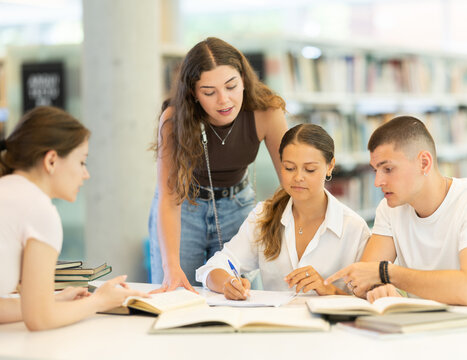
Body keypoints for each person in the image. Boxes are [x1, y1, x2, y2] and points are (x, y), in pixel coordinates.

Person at [325, 116, 467, 305]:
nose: (378, 181)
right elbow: (364, 279)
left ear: (424, 163)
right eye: (375, 170)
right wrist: (378, 288)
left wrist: (386, 273)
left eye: (388, 169)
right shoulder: (389, 209)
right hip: (438, 329)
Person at [149, 37, 288, 292]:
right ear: (193, 93)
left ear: (244, 79)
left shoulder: (267, 111)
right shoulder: (174, 119)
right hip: (184, 209)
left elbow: (291, 183)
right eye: (209, 92)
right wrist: (171, 267)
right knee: (177, 293)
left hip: (237, 207)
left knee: (237, 293)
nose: (224, 100)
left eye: (231, 86)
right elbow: (169, 199)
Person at [0, 106, 147, 330]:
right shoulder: (38, 209)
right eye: (81, 162)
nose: (85, 174)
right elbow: (39, 319)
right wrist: (100, 301)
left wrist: (54, 300)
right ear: (51, 161)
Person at [195, 124, 371, 299]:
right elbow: (215, 266)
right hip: (275, 324)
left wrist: (330, 291)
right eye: (289, 168)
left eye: (309, 169)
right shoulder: (264, 215)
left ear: (330, 166)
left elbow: (368, 299)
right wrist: (228, 283)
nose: (298, 177)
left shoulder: (354, 228)